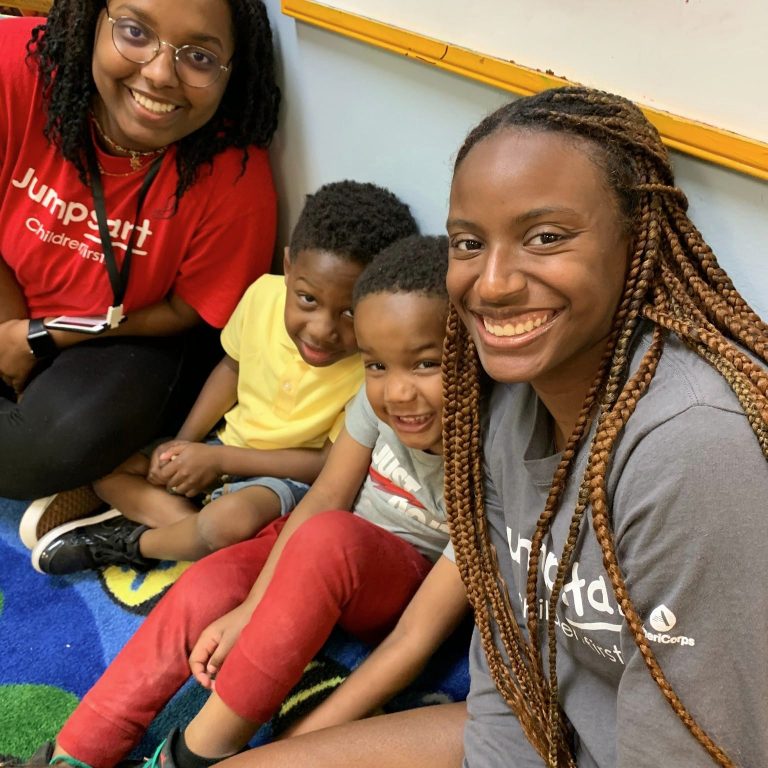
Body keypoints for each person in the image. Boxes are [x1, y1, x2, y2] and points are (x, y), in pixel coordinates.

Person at [167, 86, 768, 768]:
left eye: (546, 237)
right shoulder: (507, 408)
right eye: (470, 243)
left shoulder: (694, 449)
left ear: (637, 244)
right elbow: (509, 676)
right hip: (547, 728)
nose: (494, 282)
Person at [38, 235, 463, 768]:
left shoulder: (499, 465)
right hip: (320, 550)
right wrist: (249, 609)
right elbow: (324, 498)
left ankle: (194, 756)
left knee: (328, 537)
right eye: (376, 366)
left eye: (425, 364)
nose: (396, 393)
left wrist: (296, 746)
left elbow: (412, 640)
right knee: (210, 581)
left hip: (395, 584)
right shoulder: (374, 401)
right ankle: (75, 753)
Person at [24, 180, 418, 574]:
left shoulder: (374, 370)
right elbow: (230, 368)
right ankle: (192, 532)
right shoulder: (263, 295)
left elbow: (326, 466)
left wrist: (217, 459)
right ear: (288, 268)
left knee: (229, 522)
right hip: (223, 447)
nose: (321, 330)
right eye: (308, 300)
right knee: (108, 466)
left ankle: (132, 542)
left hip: (280, 481)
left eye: (349, 313)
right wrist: (184, 444)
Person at [0, 0, 279, 513]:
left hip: (125, 335)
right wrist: (9, 331)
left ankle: (93, 471)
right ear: (92, 19)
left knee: (44, 447)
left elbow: (185, 312)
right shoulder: (17, 67)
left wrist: (39, 337)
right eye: (134, 32)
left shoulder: (236, 175)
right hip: (9, 293)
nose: (159, 74)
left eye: (199, 57)